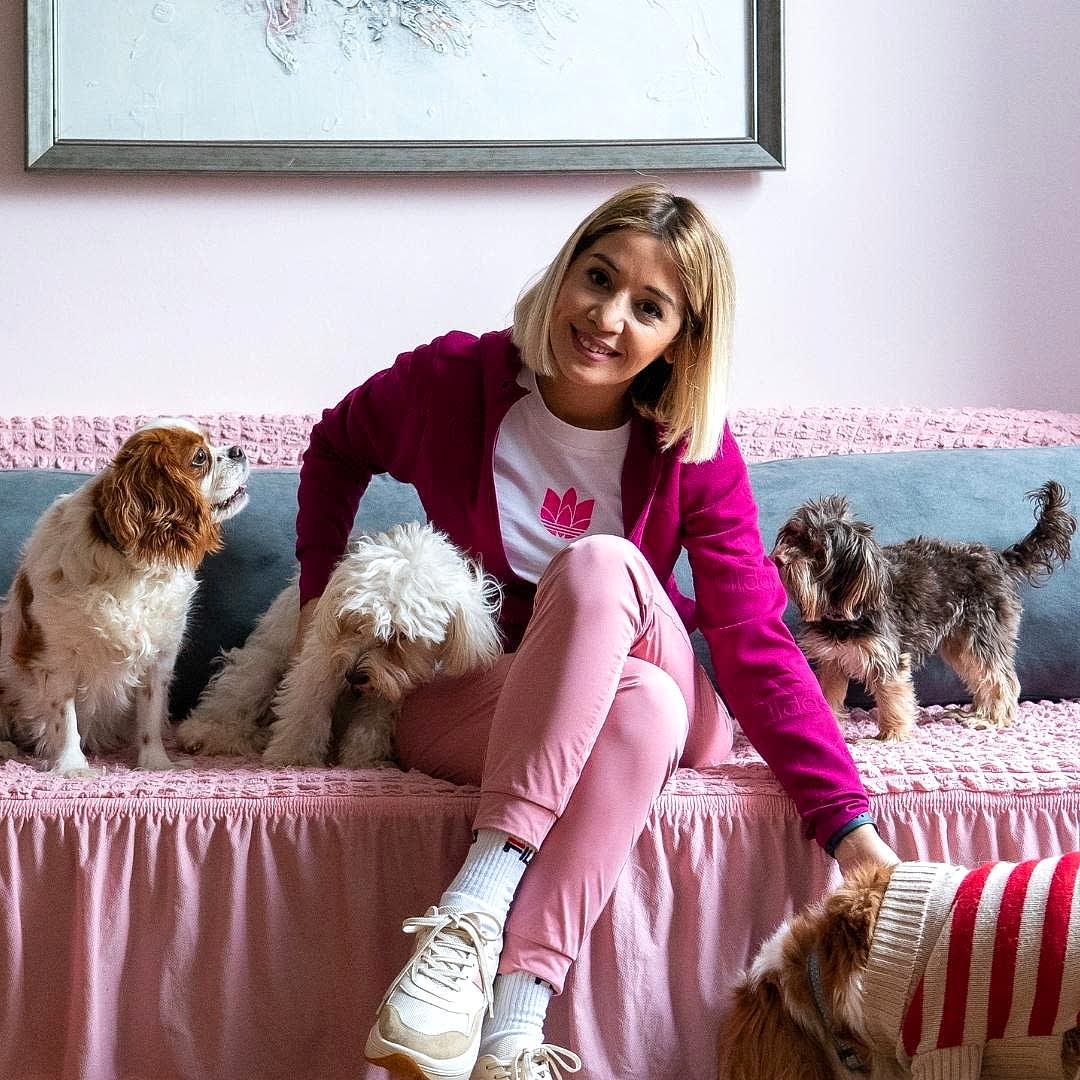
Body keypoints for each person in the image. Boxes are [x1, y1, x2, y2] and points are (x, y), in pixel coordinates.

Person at [292, 184, 899, 1080]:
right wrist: (318, 599)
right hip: (496, 697)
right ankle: (513, 1030)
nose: (608, 318)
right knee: (639, 706)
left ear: (680, 339)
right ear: (565, 270)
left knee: (599, 567)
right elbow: (335, 446)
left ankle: (471, 910)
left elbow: (753, 640)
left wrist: (848, 825)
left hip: (674, 681)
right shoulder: (450, 384)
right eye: (599, 278)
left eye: (649, 308)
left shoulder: (693, 446)